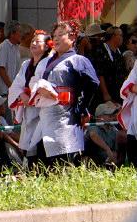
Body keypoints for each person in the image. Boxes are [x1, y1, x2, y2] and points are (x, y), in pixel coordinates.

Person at [29, 21, 99, 165]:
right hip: (47, 115)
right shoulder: (46, 62)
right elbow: (34, 81)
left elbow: (93, 83)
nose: (56, 39)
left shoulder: (78, 60)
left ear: (72, 37)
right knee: (45, 162)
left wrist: (82, 106)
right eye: (54, 36)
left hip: (68, 117)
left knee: (66, 160)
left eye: (60, 35)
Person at [7, 30, 51, 166]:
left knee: (42, 143)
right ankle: (31, 169)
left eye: (38, 41)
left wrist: (33, 97)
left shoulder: (49, 63)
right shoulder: (26, 64)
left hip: (43, 108)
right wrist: (22, 95)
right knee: (29, 142)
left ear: (47, 46)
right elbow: (16, 85)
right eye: (32, 41)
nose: (34, 43)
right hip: (29, 108)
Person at [92, 26, 128, 104]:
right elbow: (100, 74)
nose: (122, 38)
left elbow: (122, 73)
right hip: (105, 94)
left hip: (118, 93)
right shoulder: (101, 50)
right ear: (113, 36)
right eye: (120, 35)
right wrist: (105, 93)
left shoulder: (119, 52)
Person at [0, 21, 22, 96]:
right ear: (12, 33)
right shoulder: (4, 47)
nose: (21, 34)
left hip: (13, 92)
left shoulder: (16, 47)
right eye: (19, 31)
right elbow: (1, 69)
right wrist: (11, 87)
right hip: (4, 92)